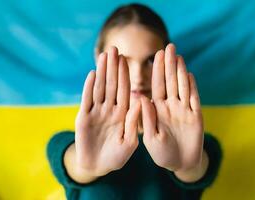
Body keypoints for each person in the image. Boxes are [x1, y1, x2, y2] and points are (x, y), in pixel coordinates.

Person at [47, 3, 222, 200]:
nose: (138, 76)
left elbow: (198, 167)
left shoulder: (196, 143)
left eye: (150, 60)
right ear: (99, 57)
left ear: (167, 62)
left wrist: (188, 165)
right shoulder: (71, 143)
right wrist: (85, 165)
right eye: (124, 61)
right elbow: (70, 161)